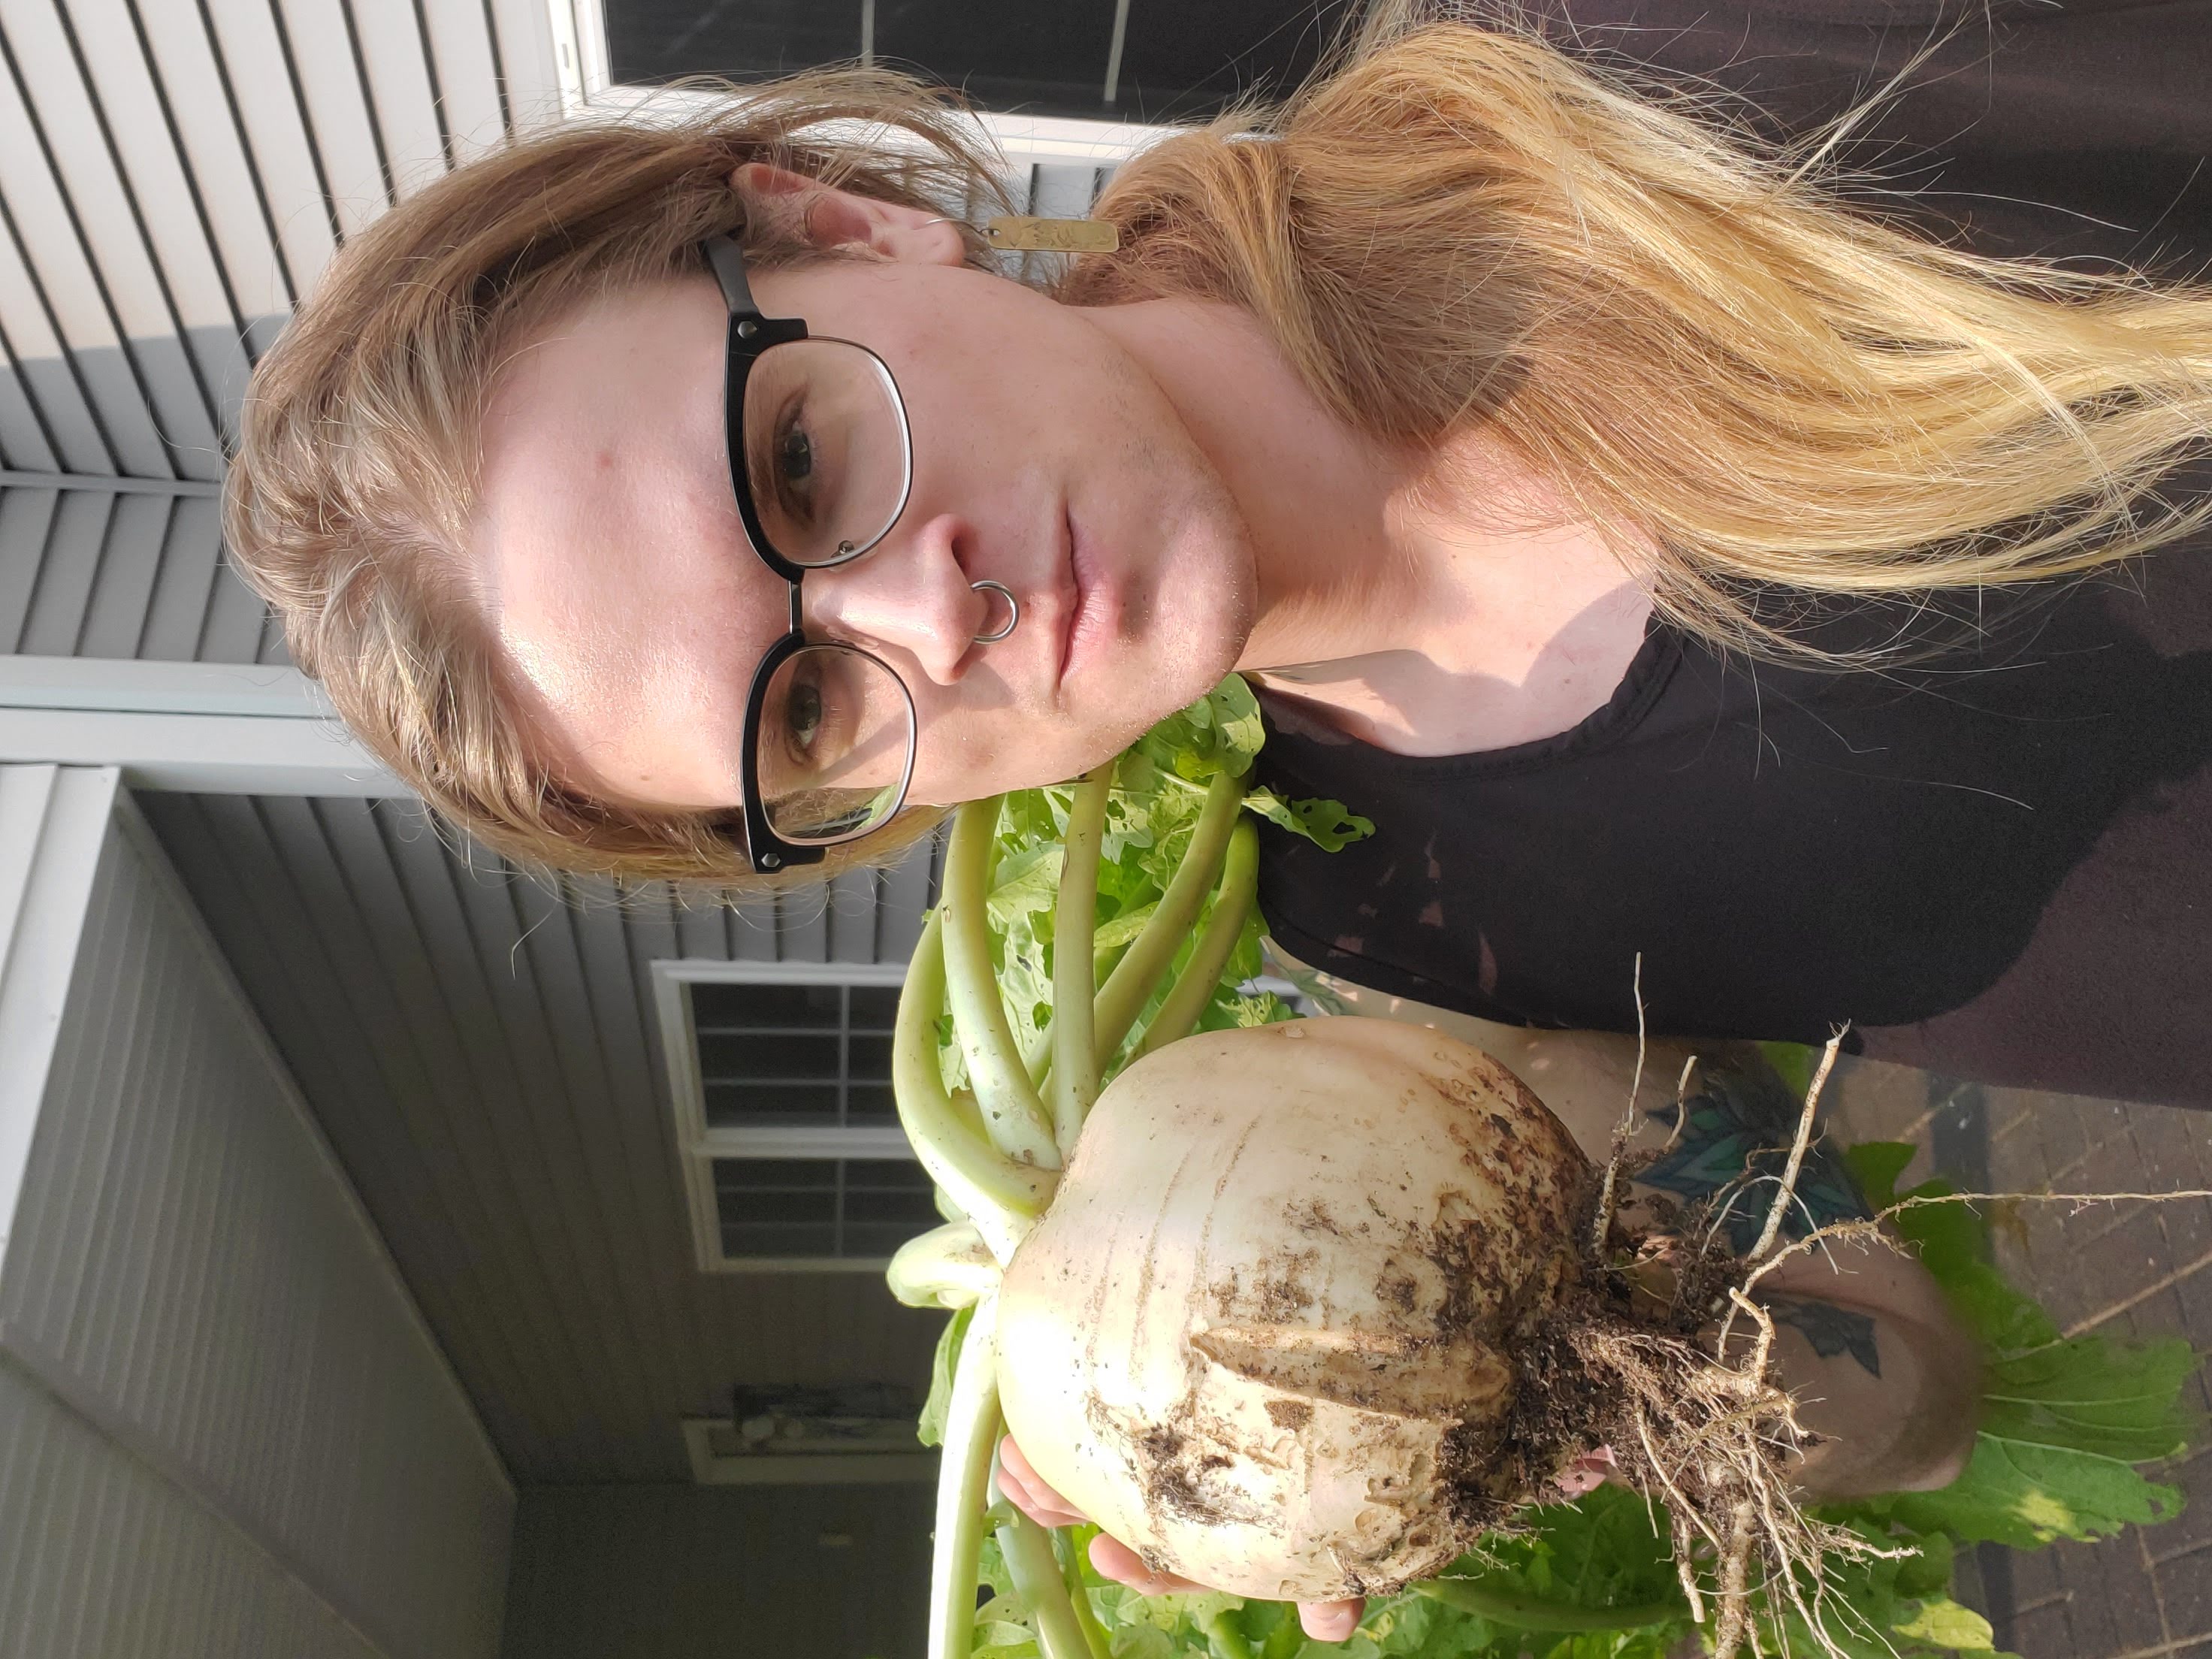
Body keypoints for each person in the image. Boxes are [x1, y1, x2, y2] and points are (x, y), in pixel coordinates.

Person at [219, 0, 2208, 1639]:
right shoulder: (1407, 941)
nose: (934, 611)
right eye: (810, 700)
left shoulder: (1624, 84)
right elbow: (1916, 1396)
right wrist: (1510, 1367)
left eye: (804, 462)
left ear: (841, 218)